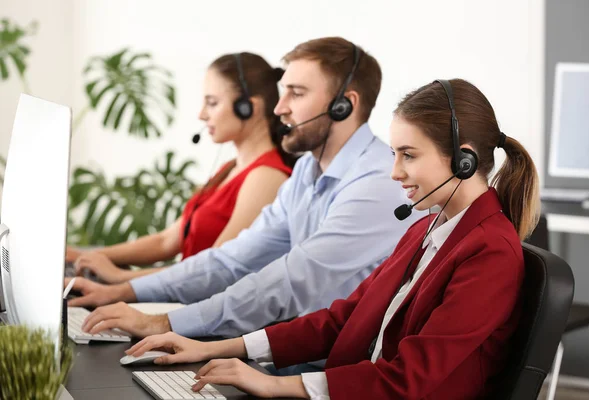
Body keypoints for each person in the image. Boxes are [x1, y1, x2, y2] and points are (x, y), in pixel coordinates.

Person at [126, 78, 540, 399]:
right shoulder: (427, 228)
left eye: (408, 155)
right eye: (394, 153)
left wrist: (276, 386)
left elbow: (409, 380)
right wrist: (220, 348)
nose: (394, 172)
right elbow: (343, 317)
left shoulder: (490, 252)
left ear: (463, 160)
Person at [65, 37, 424, 340]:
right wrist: (124, 292)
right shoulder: (305, 175)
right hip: (289, 358)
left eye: (296, 94)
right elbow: (232, 259)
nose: (280, 108)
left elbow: (290, 280)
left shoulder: (379, 181)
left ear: (345, 104)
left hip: (335, 373)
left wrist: (164, 323)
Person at [66, 52, 295, 284]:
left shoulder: (265, 177)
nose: (202, 114)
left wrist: (122, 278)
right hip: (184, 301)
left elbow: (215, 270)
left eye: (212, 103)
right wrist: (87, 257)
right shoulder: (231, 168)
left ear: (248, 107)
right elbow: (167, 241)